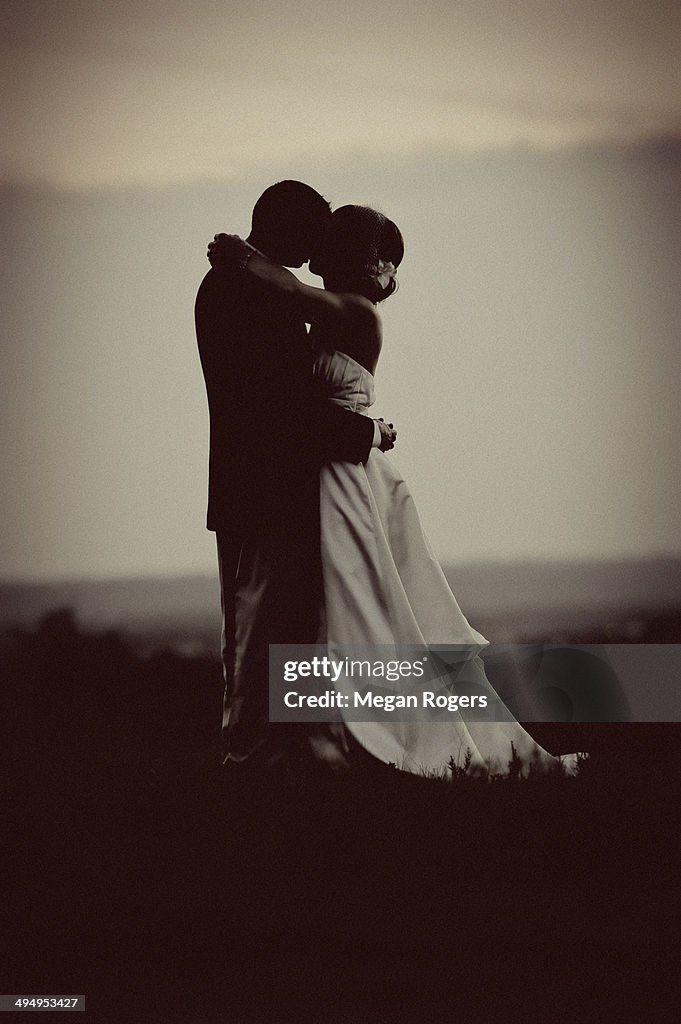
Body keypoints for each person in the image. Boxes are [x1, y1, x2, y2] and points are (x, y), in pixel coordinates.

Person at [207, 205, 583, 778]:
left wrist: (241, 253)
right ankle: (323, 736)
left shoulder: (355, 314)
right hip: (323, 472)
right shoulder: (319, 313)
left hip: (345, 476)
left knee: (366, 601)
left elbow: (290, 289)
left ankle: (361, 736)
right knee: (341, 605)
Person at [195, 182, 397, 771]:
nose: (316, 247)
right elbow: (276, 407)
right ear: (285, 226)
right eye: (313, 231)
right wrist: (368, 434)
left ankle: (292, 748)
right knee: (256, 626)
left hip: (289, 488)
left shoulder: (268, 290)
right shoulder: (243, 290)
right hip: (259, 491)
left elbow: (292, 401)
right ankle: (253, 751)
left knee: (293, 626)